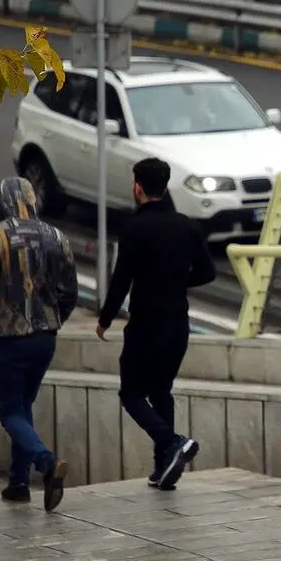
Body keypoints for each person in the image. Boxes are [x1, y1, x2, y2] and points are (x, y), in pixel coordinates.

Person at [96, 158, 216, 491]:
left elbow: (122, 278)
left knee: (132, 392)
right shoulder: (188, 226)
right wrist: (175, 281)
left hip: (146, 323)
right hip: (178, 323)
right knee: (161, 390)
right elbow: (207, 273)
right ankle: (164, 467)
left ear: (138, 187)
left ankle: (172, 441)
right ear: (165, 187)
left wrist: (105, 319)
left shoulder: (136, 228)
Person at [0, 177, 79, 512]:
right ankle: (18, 483)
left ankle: (46, 463)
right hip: (45, 338)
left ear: (0, 202)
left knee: (11, 411)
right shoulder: (56, 236)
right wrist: (54, 320)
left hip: (7, 338)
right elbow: (70, 290)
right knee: (24, 405)